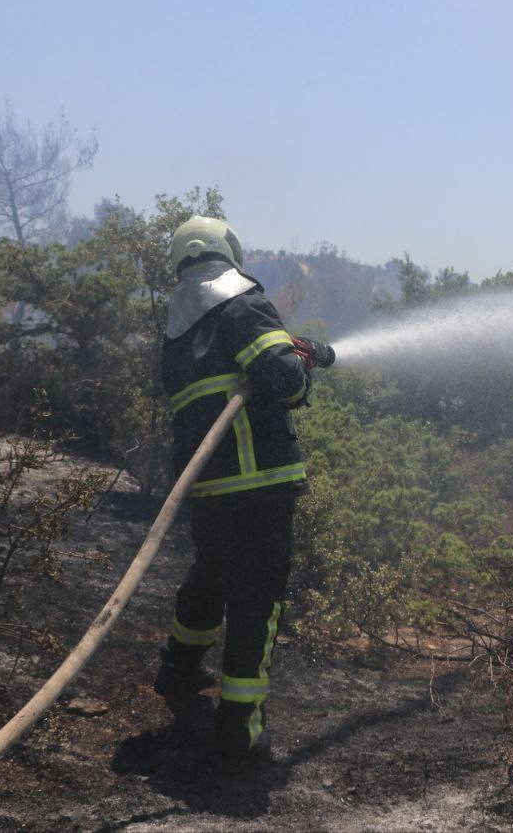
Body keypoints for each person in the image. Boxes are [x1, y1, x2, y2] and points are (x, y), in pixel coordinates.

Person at [154, 215, 311, 770]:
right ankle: (240, 728)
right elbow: (286, 381)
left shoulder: (177, 326)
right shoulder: (243, 305)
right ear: (230, 252)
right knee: (255, 601)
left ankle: (178, 667)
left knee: (211, 573)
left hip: (208, 487)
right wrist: (300, 363)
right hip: (260, 485)